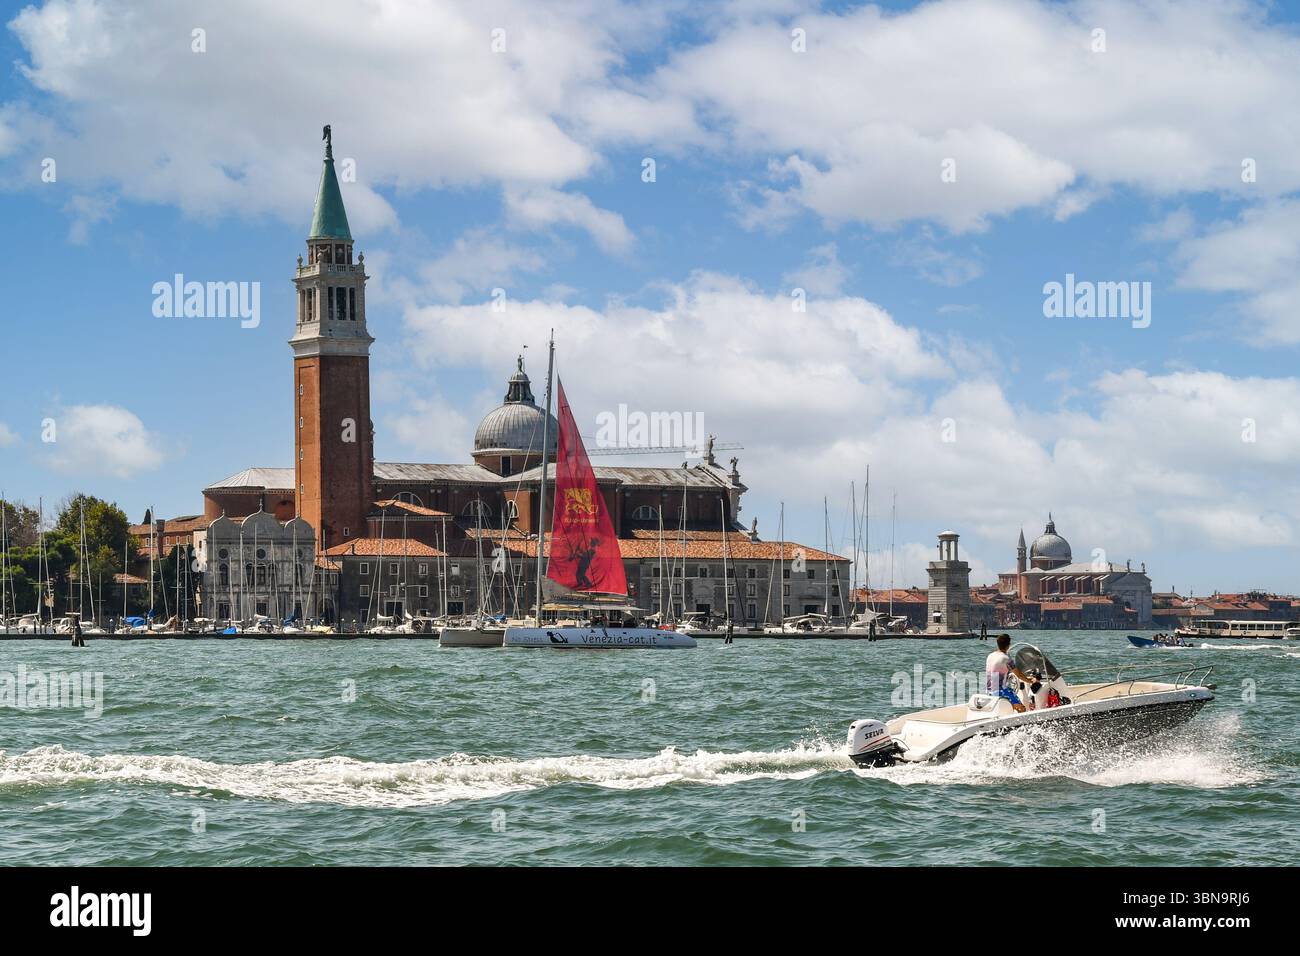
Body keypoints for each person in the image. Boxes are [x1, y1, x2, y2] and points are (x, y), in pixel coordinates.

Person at [986, 634, 1034, 712]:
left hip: (989, 691)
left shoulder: (990, 656)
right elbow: (1019, 675)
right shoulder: (1006, 658)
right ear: (1008, 645)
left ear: (998, 644)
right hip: (1000, 692)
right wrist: (1031, 681)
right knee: (1022, 709)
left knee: (1010, 692)